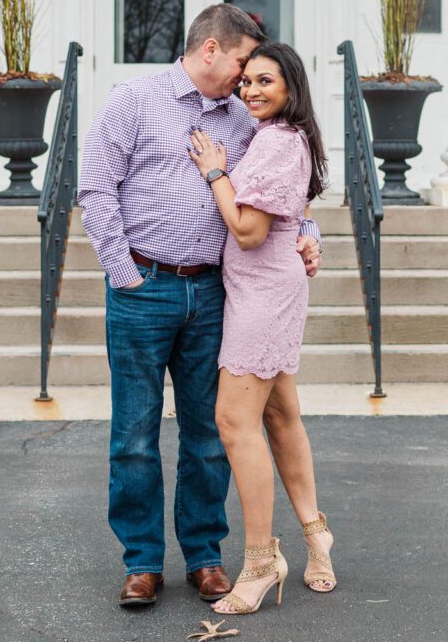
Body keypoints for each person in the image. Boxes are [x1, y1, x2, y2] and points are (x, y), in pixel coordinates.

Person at [77, 4, 322, 609]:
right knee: (134, 433)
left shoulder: (245, 121)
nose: (246, 79)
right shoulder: (134, 100)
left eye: (257, 73)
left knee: (209, 434)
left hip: (216, 291)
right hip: (144, 287)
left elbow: (277, 189)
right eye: (242, 63)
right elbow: (95, 185)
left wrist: (307, 231)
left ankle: (206, 557)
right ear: (210, 49)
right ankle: (141, 564)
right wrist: (123, 272)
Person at [188, 41, 336, 617]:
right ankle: (315, 534)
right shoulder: (279, 136)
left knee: (234, 420)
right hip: (259, 286)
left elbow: (248, 230)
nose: (250, 90)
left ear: (290, 87)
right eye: (246, 80)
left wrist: (215, 172)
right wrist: (308, 230)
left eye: (264, 81)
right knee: (279, 415)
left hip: (263, 291)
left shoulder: (277, 140)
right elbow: (288, 212)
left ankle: (260, 560)